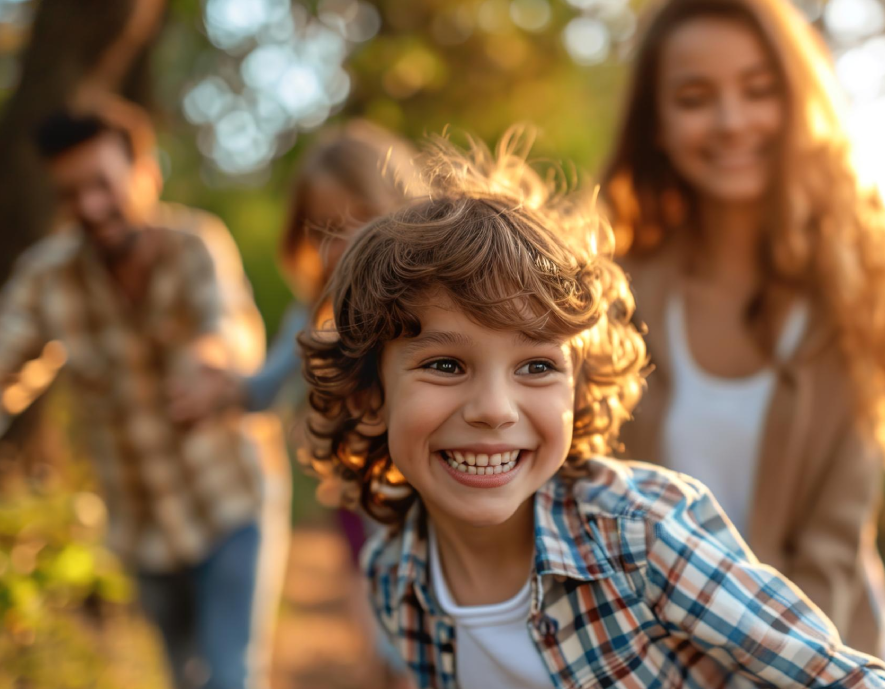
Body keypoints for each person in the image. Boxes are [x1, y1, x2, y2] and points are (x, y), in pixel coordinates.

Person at [297, 128, 885, 688]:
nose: (495, 410)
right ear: (368, 397)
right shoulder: (393, 574)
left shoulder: (644, 535)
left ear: (577, 389)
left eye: (536, 367)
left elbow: (840, 675)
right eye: (446, 365)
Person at [600, 0, 885, 656]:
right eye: (695, 97)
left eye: (758, 90)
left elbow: (831, 547)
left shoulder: (857, 291)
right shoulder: (607, 295)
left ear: (798, 101)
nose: (731, 123)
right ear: (657, 125)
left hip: (821, 656)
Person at [0, 109, 273, 689]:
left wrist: (211, 363)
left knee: (229, 678)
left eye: (104, 184)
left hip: (228, 505)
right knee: (185, 680)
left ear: (146, 174)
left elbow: (228, 326)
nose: (92, 206)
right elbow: (6, 358)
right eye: (72, 194)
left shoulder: (196, 244)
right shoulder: (48, 278)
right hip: (141, 531)